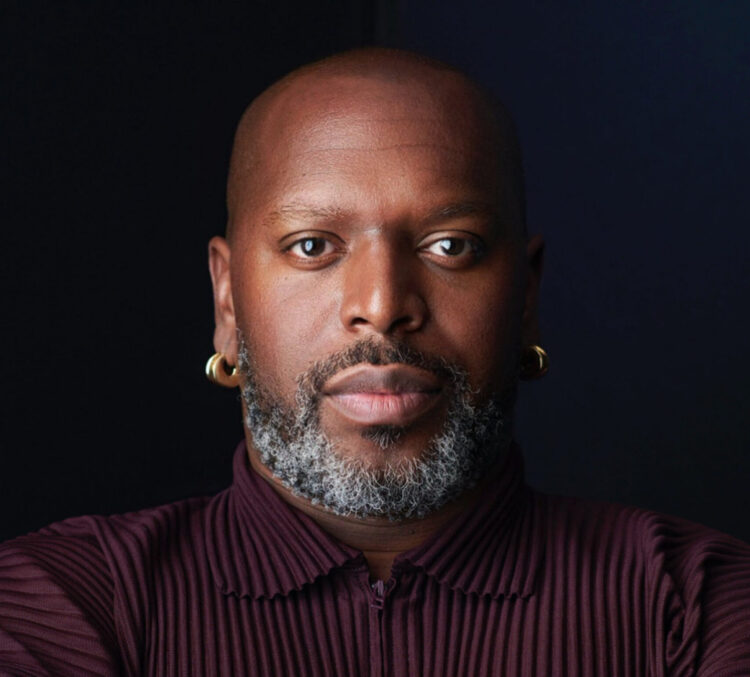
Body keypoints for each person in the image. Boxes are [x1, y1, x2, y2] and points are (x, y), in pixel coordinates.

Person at [1, 47, 748, 677]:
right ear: (228, 302)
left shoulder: (696, 606)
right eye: (313, 246)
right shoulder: (64, 601)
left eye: (450, 245)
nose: (384, 303)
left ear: (524, 297)